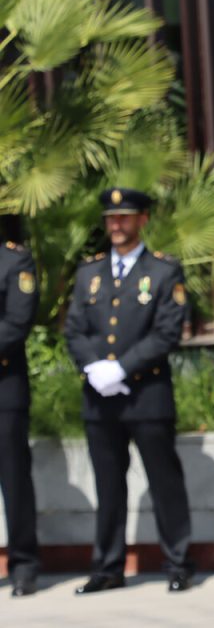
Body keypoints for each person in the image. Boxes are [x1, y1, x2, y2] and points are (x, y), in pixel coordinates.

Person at [64, 188, 194, 594]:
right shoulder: (89, 273)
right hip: (100, 398)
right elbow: (74, 330)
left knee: (164, 482)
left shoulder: (163, 271)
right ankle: (107, 567)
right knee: (108, 486)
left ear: (143, 220)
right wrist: (95, 368)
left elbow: (167, 331)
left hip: (147, 395)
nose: (116, 225)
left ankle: (177, 562)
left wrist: (122, 367)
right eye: (111, 218)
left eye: (125, 217)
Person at [0, 237, 40, 597]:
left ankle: (24, 564)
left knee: (13, 480)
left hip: (3, 390)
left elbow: (16, 321)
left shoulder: (15, 261)